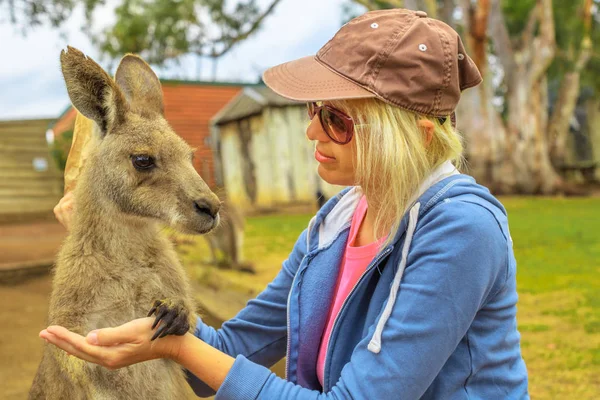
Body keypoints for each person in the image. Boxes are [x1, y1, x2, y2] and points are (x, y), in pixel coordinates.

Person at [43, 8, 529, 399]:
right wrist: (159, 321)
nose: (311, 130)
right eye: (315, 110)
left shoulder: (462, 228)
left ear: (416, 137)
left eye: (337, 119)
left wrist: (181, 348)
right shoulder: (337, 221)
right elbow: (237, 347)